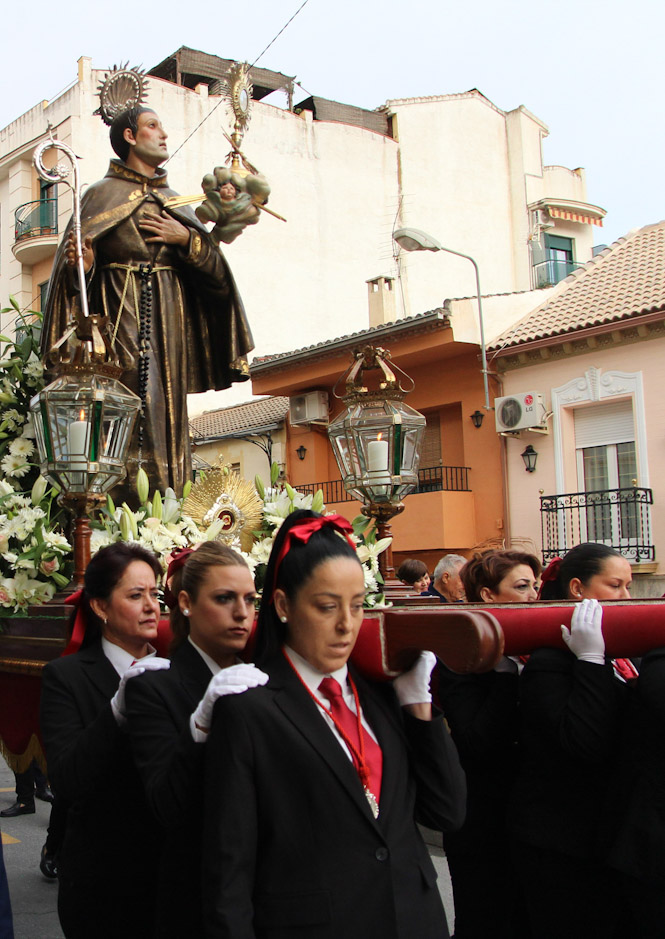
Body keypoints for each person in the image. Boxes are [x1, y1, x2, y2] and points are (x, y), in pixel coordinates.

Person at [202, 509, 467, 938]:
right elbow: (229, 869)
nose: (346, 624)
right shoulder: (249, 708)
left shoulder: (381, 695)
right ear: (284, 604)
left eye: (358, 605)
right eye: (327, 607)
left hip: (414, 920)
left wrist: (419, 706)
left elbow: (446, 811)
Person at [41, 106, 254, 501]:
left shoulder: (176, 202)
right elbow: (71, 288)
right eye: (153, 126)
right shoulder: (99, 196)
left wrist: (185, 240)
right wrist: (83, 267)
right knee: (121, 414)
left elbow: (218, 281)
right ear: (129, 136)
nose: (164, 134)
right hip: (117, 321)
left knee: (164, 415)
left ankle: (169, 510)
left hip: (168, 326)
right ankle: (112, 505)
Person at [124, 542, 268, 938]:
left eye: (250, 600)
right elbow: (166, 805)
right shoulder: (154, 688)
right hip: (196, 902)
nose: (241, 613)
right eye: (224, 598)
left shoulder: (268, 678)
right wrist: (200, 725)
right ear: (185, 602)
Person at [40, 542, 171, 939]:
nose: (151, 606)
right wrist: (118, 707)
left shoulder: (175, 671)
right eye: (135, 595)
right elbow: (66, 779)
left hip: (172, 879)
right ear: (99, 607)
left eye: (155, 594)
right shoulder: (67, 677)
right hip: (104, 884)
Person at [510, 543, 633, 939]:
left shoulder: (622, 653)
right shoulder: (549, 663)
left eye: (628, 586)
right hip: (560, 842)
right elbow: (583, 742)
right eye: (615, 585)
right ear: (577, 589)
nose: (626, 597)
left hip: (603, 836)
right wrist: (590, 662)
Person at [439, 549, 541, 939]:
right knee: (484, 917)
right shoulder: (460, 657)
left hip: (530, 816)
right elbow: (475, 741)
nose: (533, 594)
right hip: (481, 818)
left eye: (535, 585)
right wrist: (507, 674)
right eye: (521, 586)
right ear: (487, 596)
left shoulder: (542, 649)